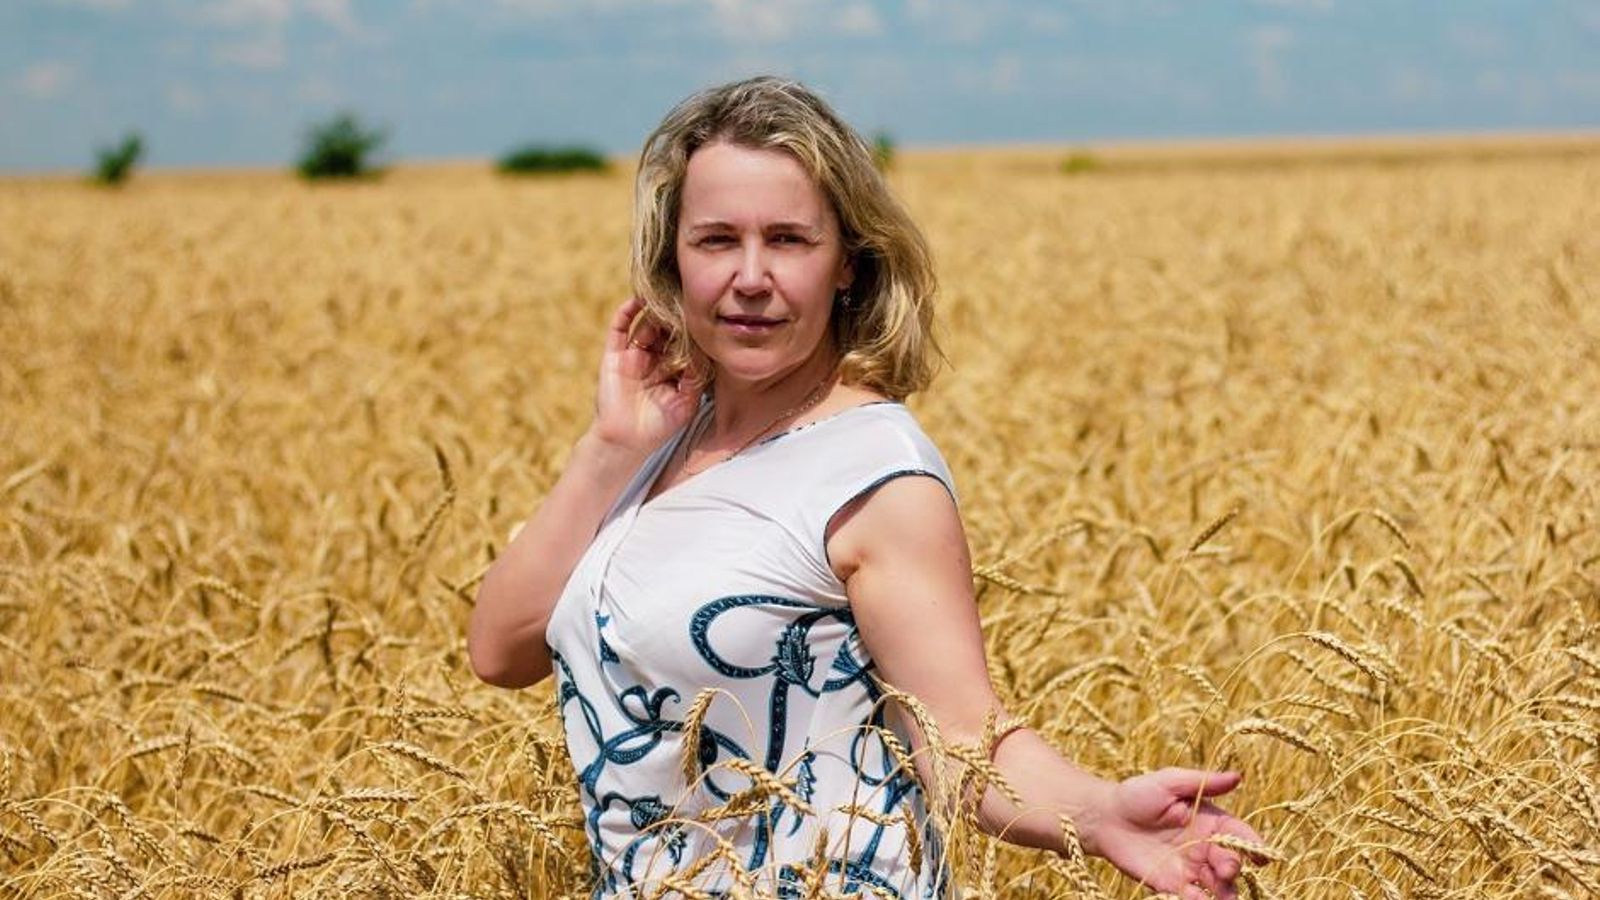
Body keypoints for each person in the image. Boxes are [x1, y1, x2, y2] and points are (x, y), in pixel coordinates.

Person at [467, 76, 1267, 900]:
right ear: (673, 256)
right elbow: (501, 650)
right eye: (716, 240)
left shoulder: (872, 473)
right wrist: (609, 449)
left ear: (847, 262)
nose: (750, 276)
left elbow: (960, 739)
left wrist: (1099, 814)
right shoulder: (657, 441)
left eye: (788, 240)